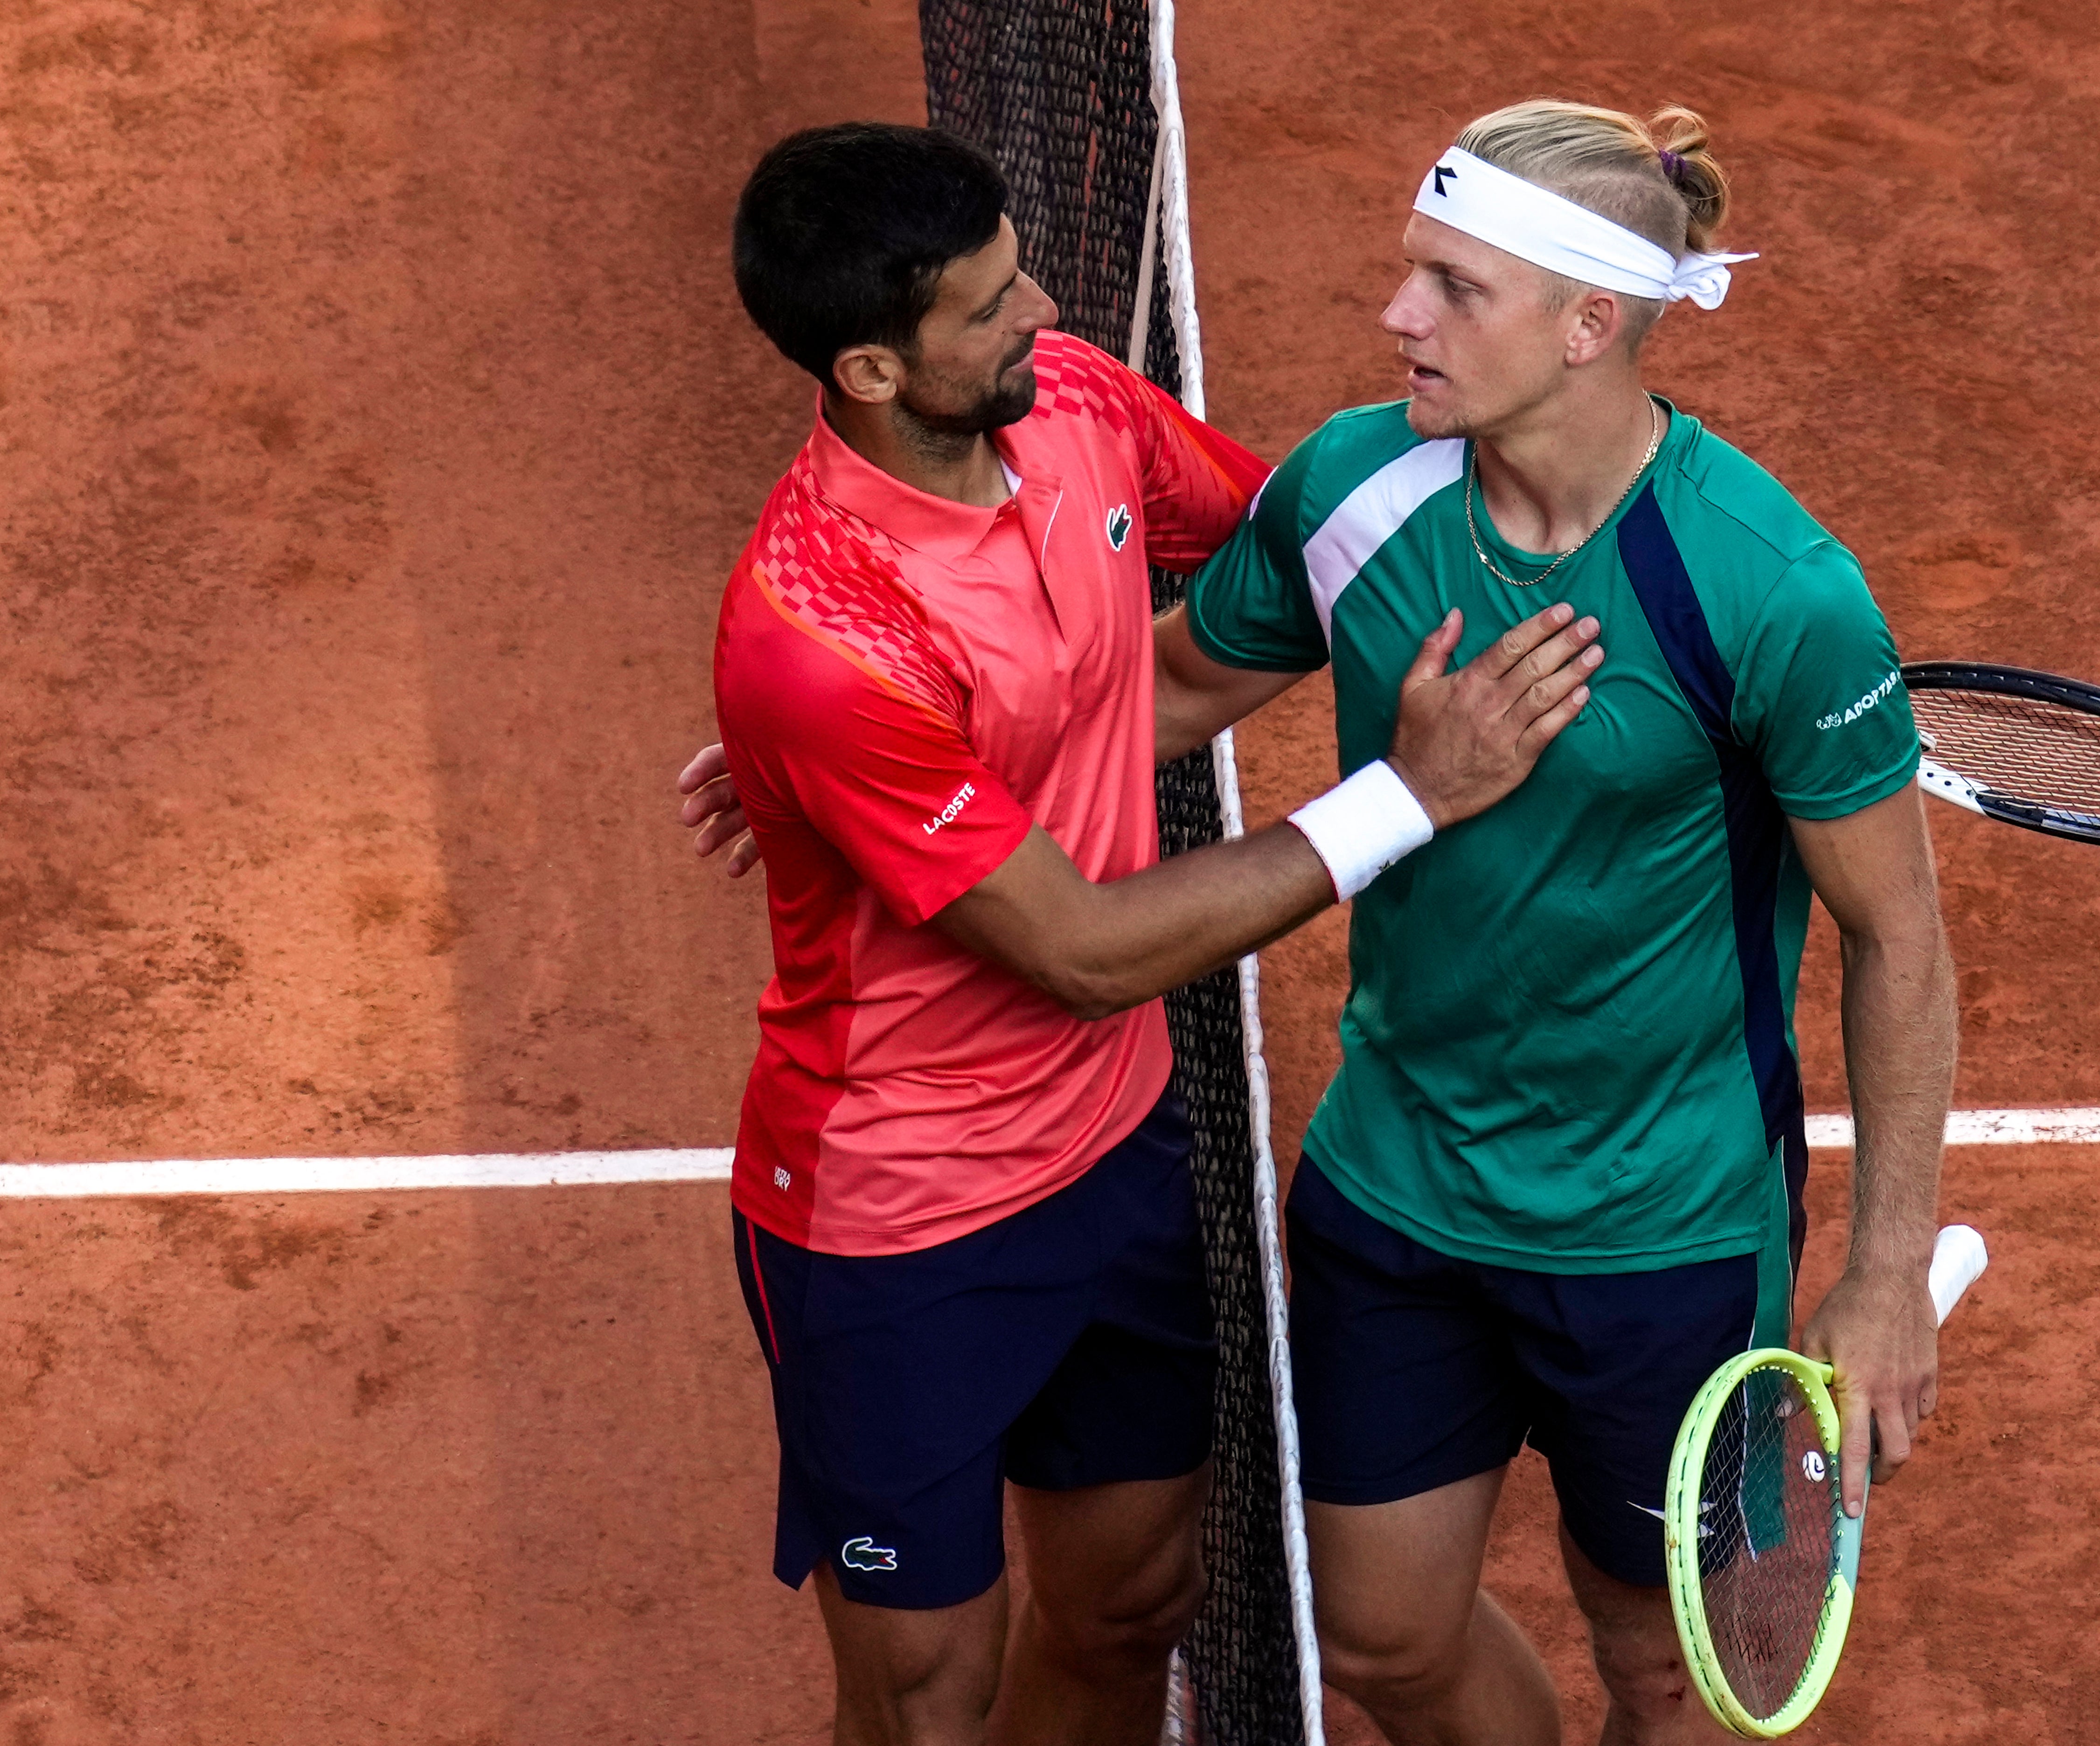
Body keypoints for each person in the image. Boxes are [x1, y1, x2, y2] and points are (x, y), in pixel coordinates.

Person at [698, 121, 1601, 1746]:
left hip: (1111, 1166)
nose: (1038, 306)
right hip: (898, 1227)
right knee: (924, 1698)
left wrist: (1650, 613)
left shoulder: (1080, 415)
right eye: (985, 308)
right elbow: (1084, 952)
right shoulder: (823, 635)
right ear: (871, 371)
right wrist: (1415, 793)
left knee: (1127, 1610)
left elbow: (1319, 560)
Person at [1155, 100, 1959, 1746]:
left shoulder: (1768, 591)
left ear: (1592, 325)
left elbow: (1896, 940)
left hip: (1659, 1236)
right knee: (1377, 1639)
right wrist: (889, 726)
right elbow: (1163, 687)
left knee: (1664, 1671)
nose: (1398, 317)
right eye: (1411, 277)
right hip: (1401, 1183)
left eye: (1454, 288)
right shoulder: (1356, 490)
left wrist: (1881, 1277)